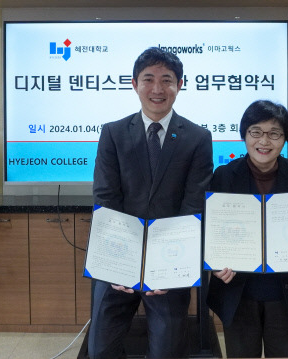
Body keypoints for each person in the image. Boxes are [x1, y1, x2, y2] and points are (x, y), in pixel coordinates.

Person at [88, 47, 213, 359]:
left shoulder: (197, 137)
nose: (157, 89)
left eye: (167, 80)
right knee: (100, 349)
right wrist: (120, 261)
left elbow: (193, 205)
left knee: (167, 351)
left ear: (180, 85)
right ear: (134, 83)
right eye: (149, 79)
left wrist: (167, 268)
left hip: (169, 262)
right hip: (117, 259)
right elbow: (106, 198)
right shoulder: (113, 133)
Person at [206, 100, 288, 358]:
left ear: (284, 138)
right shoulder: (223, 176)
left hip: (287, 292)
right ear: (245, 135)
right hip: (238, 291)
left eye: (274, 133)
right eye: (256, 132)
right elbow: (209, 229)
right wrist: (214, 263)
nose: (264, 141)